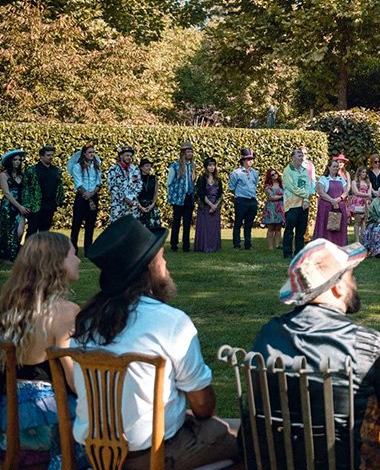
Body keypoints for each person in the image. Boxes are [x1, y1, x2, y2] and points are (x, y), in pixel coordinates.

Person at [253, 239, 380, 469]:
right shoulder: (368, 344)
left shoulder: (268, 333)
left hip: (276, 457)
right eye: (352, 276)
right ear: (337, 286)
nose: (356, 283)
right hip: (348, 460)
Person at [72, 218, 238, 470]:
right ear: (150, 268)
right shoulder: (169, 322)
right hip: (153, 456)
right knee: (243, 439)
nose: (166, 264)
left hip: (96, 455)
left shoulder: (85, 322)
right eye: (161, 258)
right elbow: (203, 405)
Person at [0, 232, 83, 470]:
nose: (78, 260)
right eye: (72, 254)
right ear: (56, 264)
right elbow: (74, 380)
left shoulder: (8, 308)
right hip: (51, 424)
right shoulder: (65, 312)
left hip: (8, 421)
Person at [68, 144, 103, 257]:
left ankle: (89, 249)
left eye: (93, 152)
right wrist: (86, 195)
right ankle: (73, 249)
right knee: (76, 225)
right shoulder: (77, 166)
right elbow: (78, 184)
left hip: (93, 195)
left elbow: (99, 183)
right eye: (89, 152)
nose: (92, 154)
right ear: (84, 153)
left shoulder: (96, 166)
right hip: (81, 197)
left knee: (90, 224)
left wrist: (92, 194)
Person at [282, 148, 316, 260]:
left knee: (301, 231)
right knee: (289, 229)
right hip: (292, 204)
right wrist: (305, 195)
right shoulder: (287, 170)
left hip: (303, 205)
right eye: (299, 155)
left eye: (302, 155)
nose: (301, 157)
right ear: (292, 158)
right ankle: (287, 252)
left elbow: (308, 185)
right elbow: (292, 188)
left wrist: (306, 200)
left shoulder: (305, 170)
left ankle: (299, 253)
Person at [166, 142, 197, 253]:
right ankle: (174, 244)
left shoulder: (193, 166)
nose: (190, 153)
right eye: (188, 152)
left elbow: (192, 182)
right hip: (178, 197)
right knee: (176, 222)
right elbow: (169, 182)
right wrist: (171, 195)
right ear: (183, 153)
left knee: (187, 222)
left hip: (189, 196)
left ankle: (186, 245)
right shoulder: (175, 166)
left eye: (191, 151)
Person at [27, 146, 63, 236]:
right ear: (41, 156)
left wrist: (57, 202)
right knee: (32, 231)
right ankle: (28, 250)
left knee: (45, 232)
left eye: (52, 155)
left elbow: (59, 188)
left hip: (49, 205)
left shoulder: (56, 171)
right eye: (48, 155)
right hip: (36, 205)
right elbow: (26, 189)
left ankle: (42, 250)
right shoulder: (32, 171)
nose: (50, 157)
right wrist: (27, 205)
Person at [315, 157, 351, 247]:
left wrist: (339, 199)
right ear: (329, 167)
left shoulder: (341, 179)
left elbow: (346, 191)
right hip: (326, 207)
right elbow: (321, 192)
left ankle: (339, 245)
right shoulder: (323, 179)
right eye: (334, 166)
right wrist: (332, 201)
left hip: (339, 207)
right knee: (325, 227)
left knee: (339, 227)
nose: (336, 168)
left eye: (337, 167)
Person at [0, 149, 29, 262]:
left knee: (19, 231)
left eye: (19, 160)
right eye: (15, 160)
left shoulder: (22, 175)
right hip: (8, 206)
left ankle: (14, 253)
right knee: (5, 231)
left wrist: (24, 206)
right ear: (10, 161)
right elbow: (6, 193)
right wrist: (19, 206)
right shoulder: (3, 175)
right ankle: (6, 256)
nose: (17, 162)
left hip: (20, 206)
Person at [229, 147, 259, 250]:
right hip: (241, 200)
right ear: (243, 160)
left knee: (249, 224)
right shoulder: (236, 173)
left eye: (252, 159)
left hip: (252, 200)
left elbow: (255, 184)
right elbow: (232, 188)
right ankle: (236, 244)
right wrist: (239, 195)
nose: (251, 161)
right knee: (238, 223)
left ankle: (248, 244)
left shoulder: (255, 173)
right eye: (248, 159)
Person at [193, 157, 223, 253]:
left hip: (215, 207)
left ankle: (214, 247)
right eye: (210, 165)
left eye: (213, 165)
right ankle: (204, 246)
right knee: (205, 227)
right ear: (206, 167)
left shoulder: (218, 179)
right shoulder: (201, 179)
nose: (212, 167)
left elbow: (220, 194)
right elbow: (201, 194)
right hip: (205, 207)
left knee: (214, 228)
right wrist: (210, 205)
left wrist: (215, 206)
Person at [107, 145, 142, 224]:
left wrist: (132, 197)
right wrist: (125, 198)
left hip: (132, 206)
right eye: (127, 155)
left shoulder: (135, 169)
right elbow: (112, 187)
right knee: (116, 231)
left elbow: (139, 185)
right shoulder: (113, 170)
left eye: (130, 156)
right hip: (118, 205)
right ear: (121, 156)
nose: (129, 157)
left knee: (132, 231)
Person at [262, 168, 285, 251]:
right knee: (271, 228)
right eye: (272, 174)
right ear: (269, 177)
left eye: (276, 173)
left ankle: (278, 245)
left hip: (281, 208)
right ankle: (271, 247)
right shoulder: (268, 186)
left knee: (278, 228)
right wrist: (282, 197)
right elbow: (271, 197)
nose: (275, 175)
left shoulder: (282, 184)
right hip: (271, 208)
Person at [136, 158, 161, 229]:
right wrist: (140, 206)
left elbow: (156, 192)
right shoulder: (137, 178)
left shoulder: (153, 178)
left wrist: (153, 204)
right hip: (140, 206)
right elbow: (134, 193)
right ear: (141, 167)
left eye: (150, 166)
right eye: (147, 166)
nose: (149, 168)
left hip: (151, 205)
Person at [349, 167, 373, 242]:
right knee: (357, 221)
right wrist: (366, 195)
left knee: (364, 221)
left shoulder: (368, 183)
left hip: (366, 203)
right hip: (357, 203)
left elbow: (369, 192)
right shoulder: (354, 182)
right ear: (359, 173)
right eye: (363, 172)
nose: (364, 174)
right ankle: (357, 240)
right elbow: (356, 192)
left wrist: (367, 196)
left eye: (365, 172)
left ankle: (363, 239)